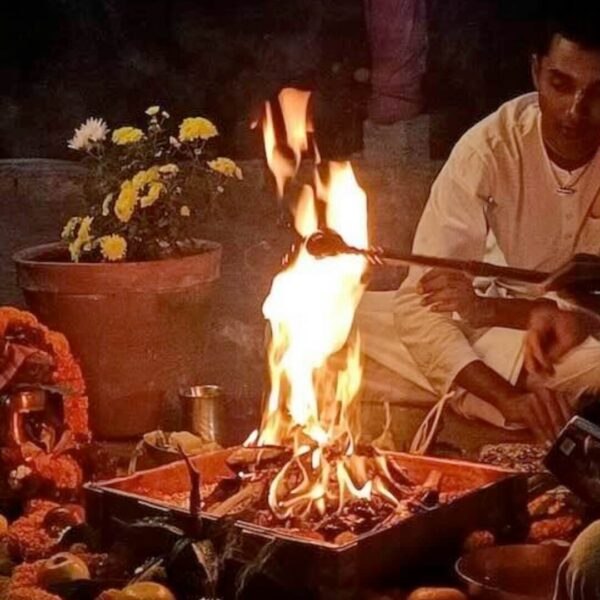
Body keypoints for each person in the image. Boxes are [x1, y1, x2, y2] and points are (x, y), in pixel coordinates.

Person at [356, 3, 600, 442]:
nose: (574, 113)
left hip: (574, 343)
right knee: (346, 324)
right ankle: (511, 402)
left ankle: (470, 391)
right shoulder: (488, 147)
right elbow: (416, 303)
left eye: (598, 93)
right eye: (560, 85)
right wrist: (508, 395)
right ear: (535, 72)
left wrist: (557, 317)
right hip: (499, 329)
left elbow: (582, 313)